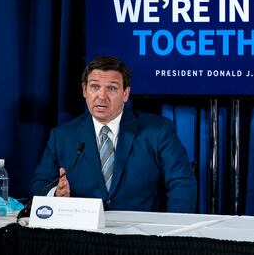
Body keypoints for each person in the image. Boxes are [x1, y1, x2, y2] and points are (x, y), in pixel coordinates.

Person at [30, 56, 197, 213]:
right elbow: (39, 184)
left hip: (141, 236)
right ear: (84, 90)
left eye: (111, 88)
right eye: (95, 87)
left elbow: (181, 183)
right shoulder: (62, 137)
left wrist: (171, 233)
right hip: (83, 236)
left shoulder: (158, 130)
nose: (101, 96)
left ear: (125, 93)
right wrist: (55, 195)